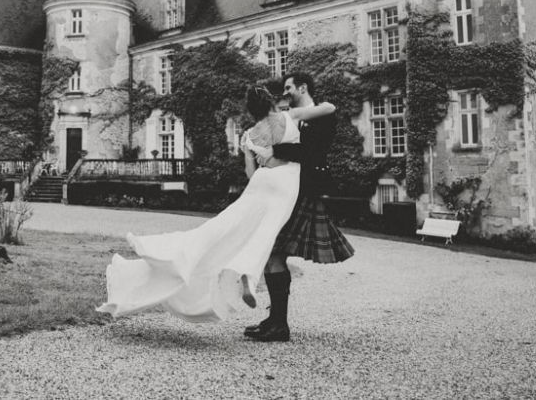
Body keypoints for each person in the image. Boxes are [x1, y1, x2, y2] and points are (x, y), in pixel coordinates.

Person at [95, 85, 335, 322]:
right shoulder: (289, 116)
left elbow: (250, 173)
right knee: (266, 233)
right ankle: (248, 276)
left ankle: (200, 259)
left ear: (251, 110)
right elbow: (329, 108)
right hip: (285, 182)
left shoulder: (249, 135)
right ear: (271, 102)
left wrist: (258, 153)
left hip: (260, 184)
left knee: (221, 229)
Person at [242, 72, 355, 343]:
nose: (285, 92)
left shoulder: (321, 117)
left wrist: (275, 152)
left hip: (305, 192)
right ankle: (276, 321)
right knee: (273, 252)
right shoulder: (291, 116)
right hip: (288, 193)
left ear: (302, 88)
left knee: (274, 252)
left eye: (288, 87)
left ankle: (279, 324)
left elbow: (312, 153)